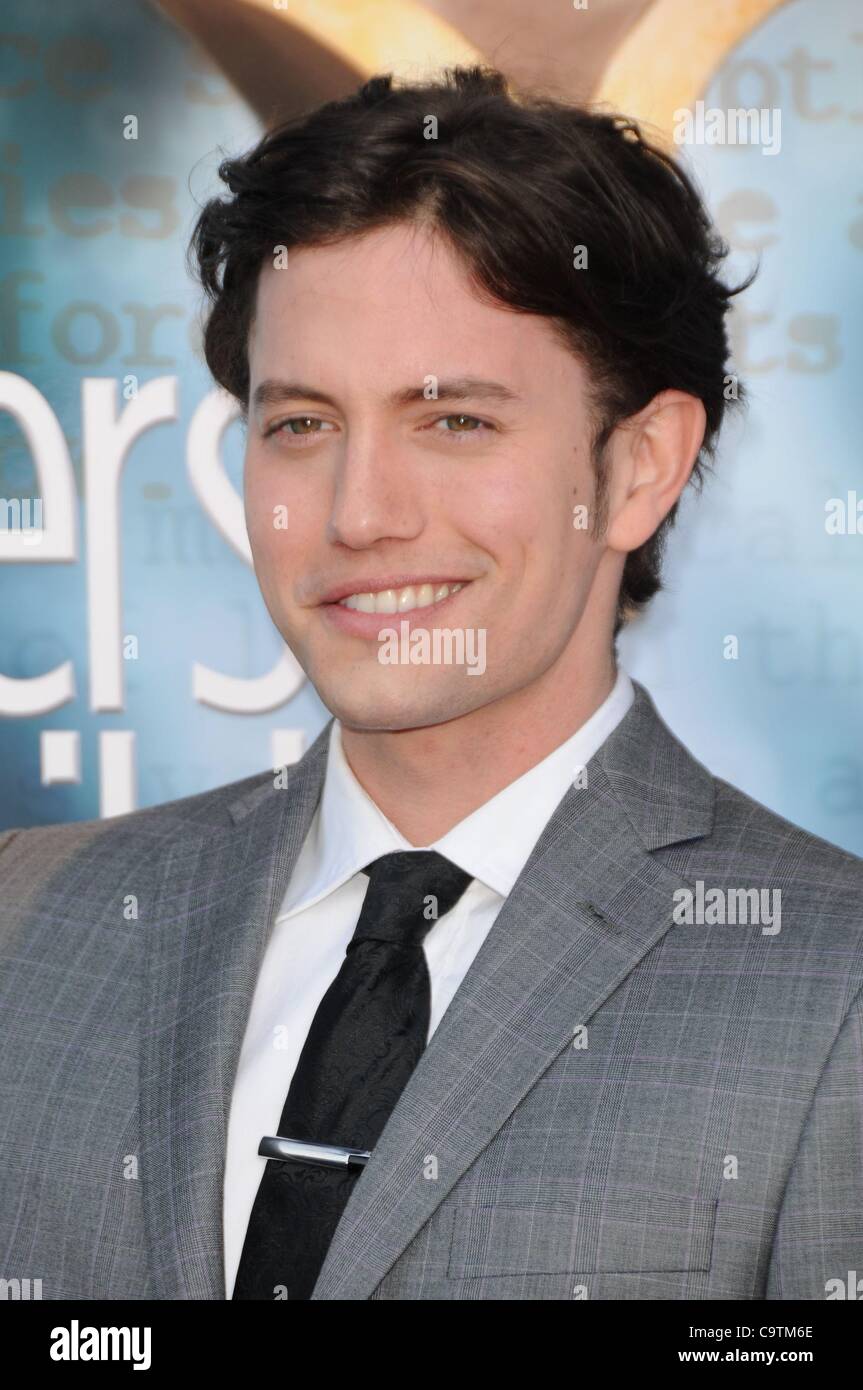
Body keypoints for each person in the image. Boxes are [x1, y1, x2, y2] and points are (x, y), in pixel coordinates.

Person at [1, 66, 861, 1302]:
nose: (358, 516)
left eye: (452, 422)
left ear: (637, 467)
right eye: (300, 424)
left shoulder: (833, 990)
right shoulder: (28, 919)